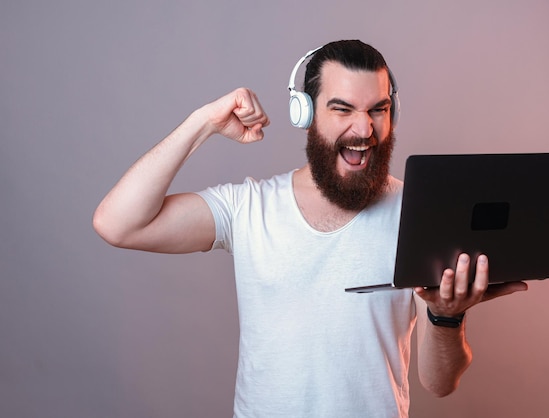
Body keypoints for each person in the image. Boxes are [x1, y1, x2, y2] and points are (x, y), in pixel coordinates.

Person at [93, 40, 527, 418]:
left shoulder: (420, 213)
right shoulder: (249, 207)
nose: (364, 129)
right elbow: (118, 224)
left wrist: (446, 316)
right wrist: (203, 122)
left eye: (379, 109)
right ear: (305, 114)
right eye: (343, 109)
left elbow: (439, 383)